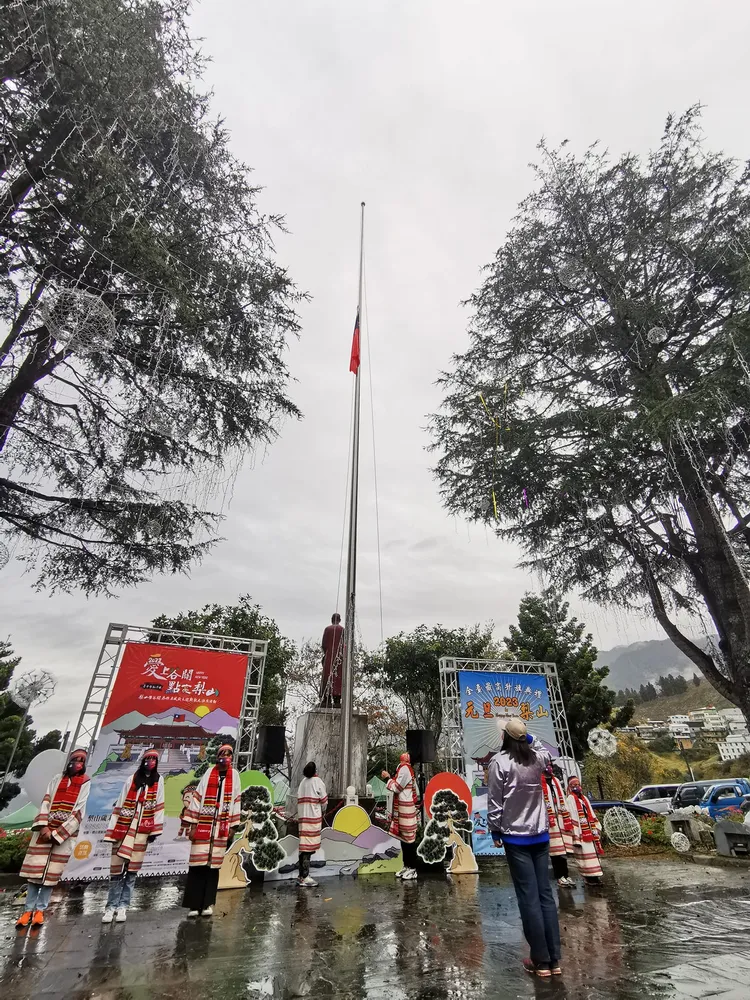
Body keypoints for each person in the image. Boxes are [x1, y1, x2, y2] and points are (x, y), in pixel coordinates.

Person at [487, 719, 562, 979]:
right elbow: (546, 751)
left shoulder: (500, 762)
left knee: (528, 898)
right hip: (540, 836)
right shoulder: (537, 760)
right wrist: (528, 738)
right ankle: (554, 959)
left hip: (516, 839)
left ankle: (540, 961)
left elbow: (495, 801)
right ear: (524, 738)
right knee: (545, 896)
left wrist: (495, 830)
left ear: (505, 737)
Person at [16, 748, 91, 928]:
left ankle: (40, 910)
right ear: (69, 762)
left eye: (81, 760)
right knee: (34, 873)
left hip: (63, 835)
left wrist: (57, 834)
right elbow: (46, 801)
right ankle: (27, 911)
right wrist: (44, 826)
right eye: (75, 759)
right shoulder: (57, 779)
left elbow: (79, 811)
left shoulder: (86, 782)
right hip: (45, 829)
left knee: (51, 875)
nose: (78, 763)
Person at [102, 747, 165, 923]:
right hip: (124, 828)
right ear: (143, 760)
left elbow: (159, 805)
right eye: (148, 758)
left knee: (131, 872)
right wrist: (113, 830)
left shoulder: (158, 781)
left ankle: (123, 906)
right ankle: (110, 907)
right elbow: (121, 803)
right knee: (116, 872)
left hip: (142, 830)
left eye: (154, 759)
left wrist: (154, 830)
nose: (150, 762)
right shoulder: (132, 779)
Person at [181, 743, 242, 917]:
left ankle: (207, 903)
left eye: (229, 754)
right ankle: (194, 905)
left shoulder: (234, 776)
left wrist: (233, 827)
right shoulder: (209, 773)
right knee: (198, 865)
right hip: (203, 826)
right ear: (217, 756)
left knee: (213, 867)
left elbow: (237, 801)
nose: (226, 756)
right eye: (223, 753)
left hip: (221, 828)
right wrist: (193, 825)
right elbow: (197, 799)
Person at [382, 752, 419, 881]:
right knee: (404, 838)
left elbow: (397, 787)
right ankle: (406, 865)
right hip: (403, 809)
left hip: (406, 809)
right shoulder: (406, 769)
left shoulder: (405, 769)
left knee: (408, 839)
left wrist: (388, 778)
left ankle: (412, 868)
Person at [542, 765, 575, 887]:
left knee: (563, 851)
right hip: (550, 821)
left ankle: (566, 875)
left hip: (561, 819)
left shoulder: (555, 781)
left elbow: (563, 799)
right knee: (555, 852)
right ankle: (560, 877)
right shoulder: (540, 782)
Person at [566, 776, 603, 884]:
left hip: (590, 830)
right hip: (581, 832)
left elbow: (591, 812)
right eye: (574, 785)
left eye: (578, 784)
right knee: (585, 857)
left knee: (594, 854)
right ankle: (589, 878)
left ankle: (596, 876)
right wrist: (576, 836)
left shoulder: (585, 798)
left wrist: (596, 826)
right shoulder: (570, 799)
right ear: (570, 787)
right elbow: (572, 816)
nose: (577, 787)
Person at [296, 761, 328, 887]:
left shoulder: (302, 783)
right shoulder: (318, 782)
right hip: (313, 818)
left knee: (304, 847)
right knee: (308, 849)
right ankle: (305, 876)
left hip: (303, 818)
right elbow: (324, 801)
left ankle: (301, 875)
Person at [320, 613, 344, 707]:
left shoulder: (328, 629)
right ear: (340, 620)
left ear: (332, 619)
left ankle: (327, 698)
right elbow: (345, 644)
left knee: (328, 677)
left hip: (329, 657)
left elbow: (324, 645)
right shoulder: (342, 630)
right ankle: (337, 698)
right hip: (340, 658)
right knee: (338, 677)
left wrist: (327, 653)